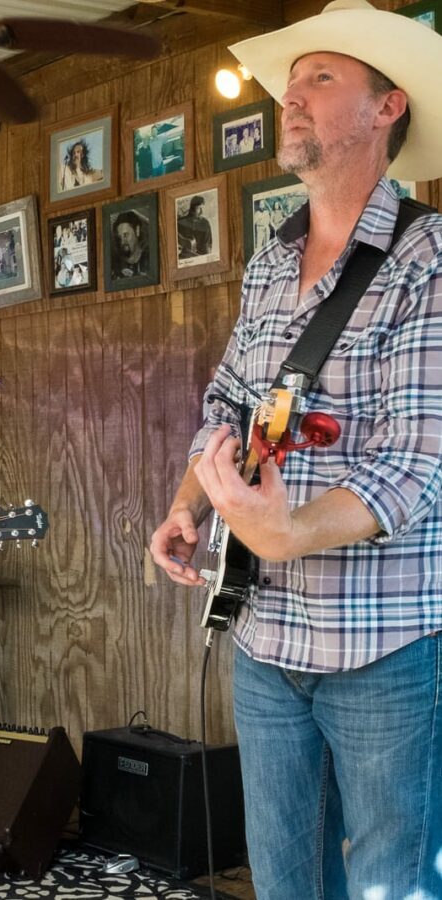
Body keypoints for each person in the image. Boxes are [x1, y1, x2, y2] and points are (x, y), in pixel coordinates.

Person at [149, 1, 442, 897]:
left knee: (389, 884)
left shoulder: (429, 258)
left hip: (384, 644)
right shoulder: (271, 261)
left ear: (386, 109)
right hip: (266, 636)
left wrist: (289, 531)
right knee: (281, 881)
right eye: (292, 80)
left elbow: (416, 463)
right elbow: (229, 402)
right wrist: (187, 506)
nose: (293, 96)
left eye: (322, 78)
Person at [110, 210, 149, 279]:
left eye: (126, 235)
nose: (122, 242)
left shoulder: (149, 259)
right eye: (120, 237)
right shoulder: (115, 267)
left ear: (137, 231)